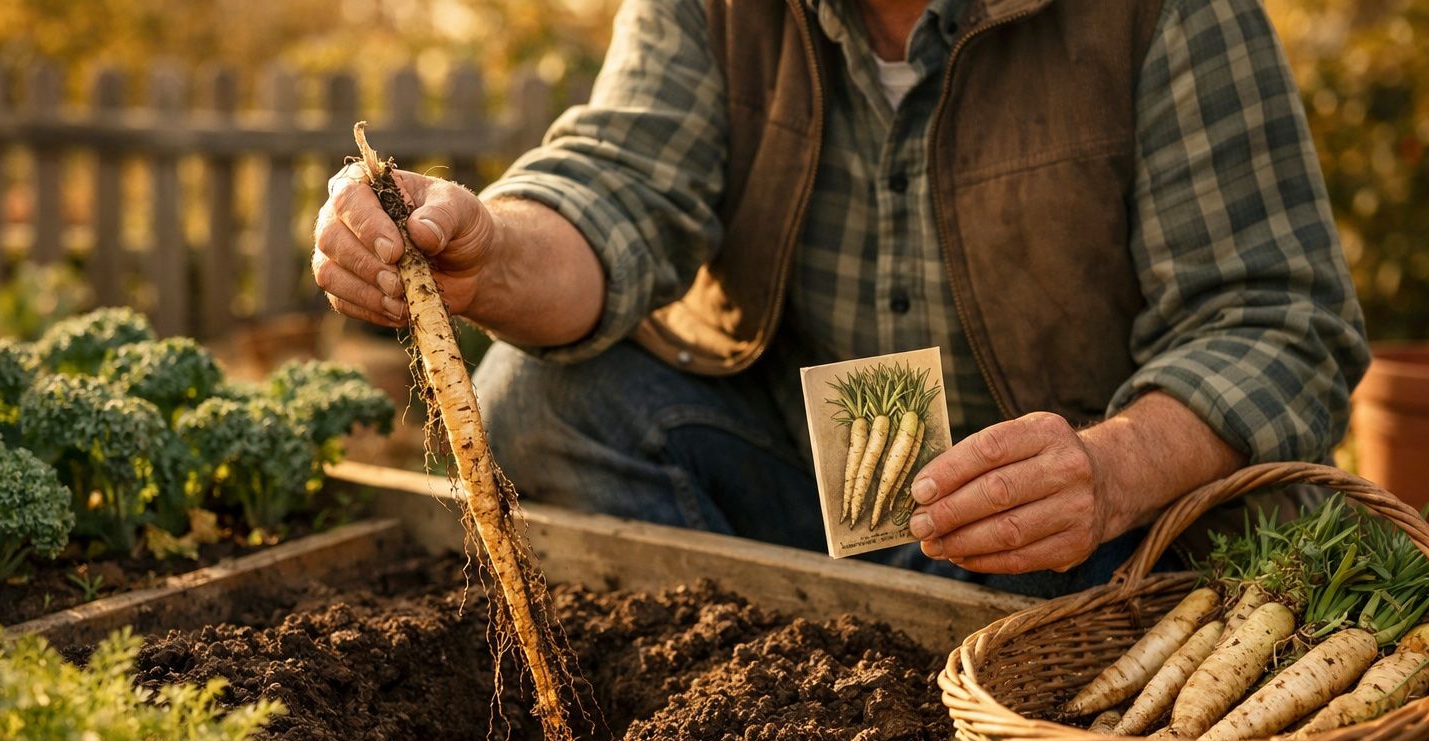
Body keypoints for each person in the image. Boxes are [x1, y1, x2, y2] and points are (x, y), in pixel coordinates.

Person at [311, 0, 1369, 598]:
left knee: (1102, 589)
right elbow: (621, 183)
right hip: (806, 499)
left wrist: (1107, 473)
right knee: (538, 402)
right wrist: (488, 252)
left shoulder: (1169, 14)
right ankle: (758, 698)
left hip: (1066, 531)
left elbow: (1279, 322)